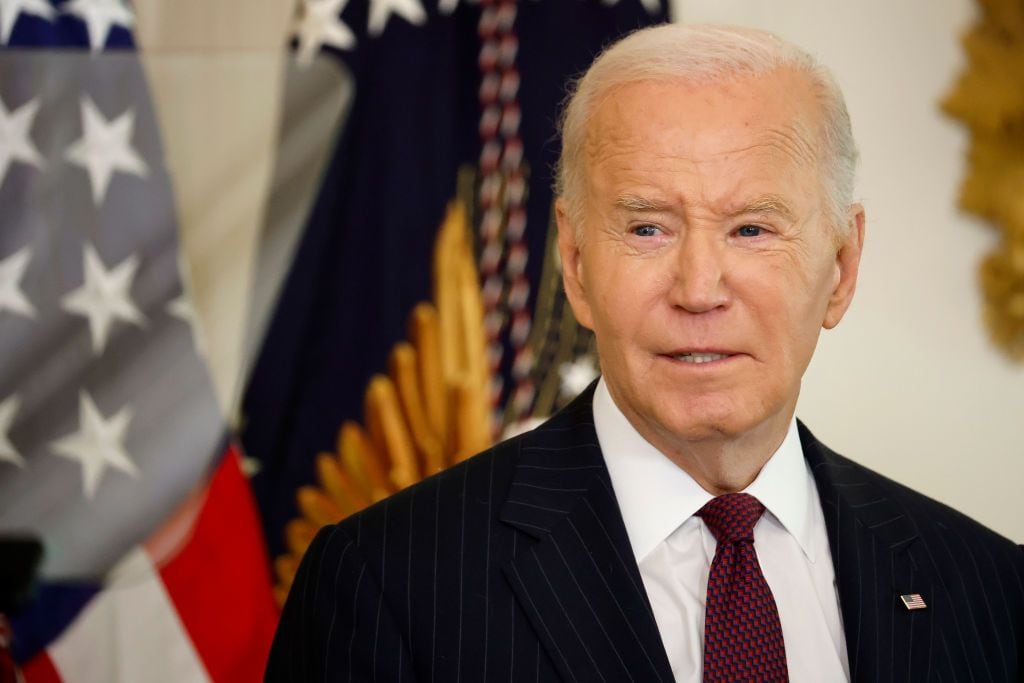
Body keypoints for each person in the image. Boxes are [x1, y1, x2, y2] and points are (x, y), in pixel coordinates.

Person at [265, 24, 1024, 682]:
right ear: (574, 262)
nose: (698, 289)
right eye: (647, 228)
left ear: (843, 267)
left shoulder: (989, 588)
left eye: (752, 229)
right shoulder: (388, 584)